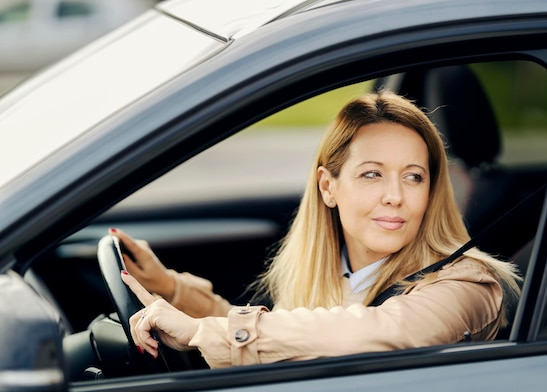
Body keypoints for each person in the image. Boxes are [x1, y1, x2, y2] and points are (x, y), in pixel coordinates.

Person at [113, 90, 522, 369]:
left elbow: (383, 333)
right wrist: (170, 290)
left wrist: (205, 333)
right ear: (329, 187)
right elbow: (292, 333)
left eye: (414, 177)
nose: (395, 195)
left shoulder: (468, 284)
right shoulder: (332, 273)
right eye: (372, 174)